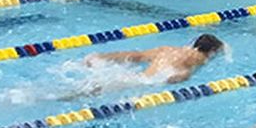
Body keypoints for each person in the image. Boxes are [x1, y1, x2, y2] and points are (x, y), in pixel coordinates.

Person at [85, 33, 223, 84]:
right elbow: (178, 77)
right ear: (211, 51)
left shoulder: (167, 49)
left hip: (136, 77)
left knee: (95, 89)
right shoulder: (201, 59)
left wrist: (101, 57)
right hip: (142, 84)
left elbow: (135, 56)